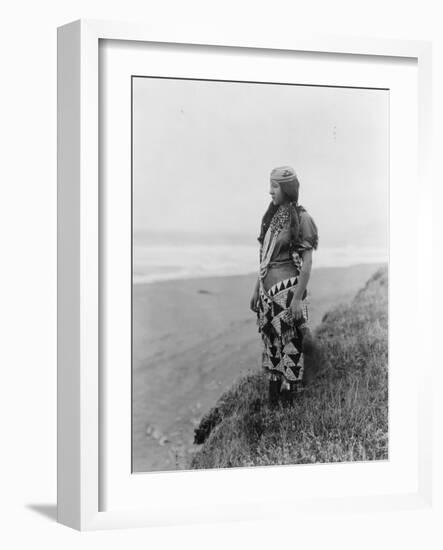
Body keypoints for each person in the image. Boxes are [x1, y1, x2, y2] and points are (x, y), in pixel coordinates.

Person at [250, 166, 319, 407]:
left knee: (290, 348)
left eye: (275, 186)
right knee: (272, 349)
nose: (270, 191)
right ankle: (273, 404)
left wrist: (298, 299)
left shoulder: (302, 218)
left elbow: (307, 263)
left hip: (288, 297)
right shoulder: (271, 218)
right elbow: (264, 260)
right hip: (268, 298)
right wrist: (256, 290)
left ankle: (290, 408)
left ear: (287, 188)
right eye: (270, 185)